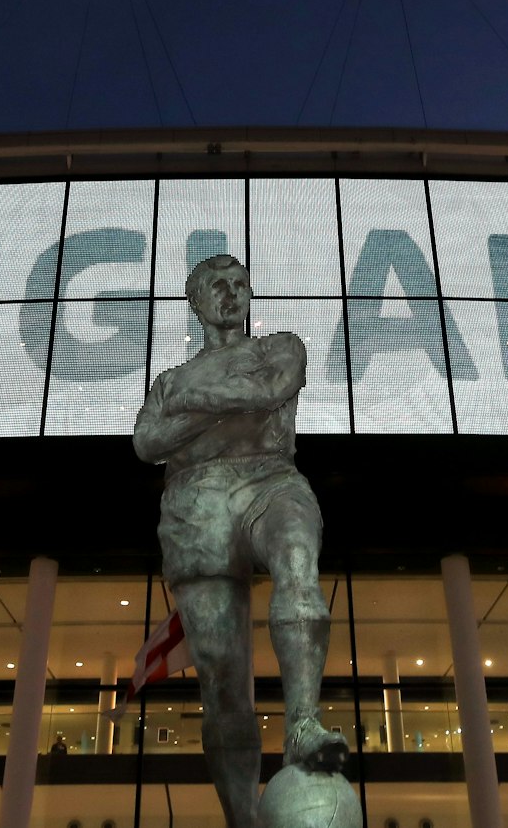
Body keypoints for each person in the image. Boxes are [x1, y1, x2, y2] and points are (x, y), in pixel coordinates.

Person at [134, 254, 346, 828]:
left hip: (269, 479)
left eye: (239, 285)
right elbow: (147, 444)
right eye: (216, 287)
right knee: (223, 686)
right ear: (196, 303)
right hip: (194, 505)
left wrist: (195, 406)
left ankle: (303, 722)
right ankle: (241, 821)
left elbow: (275, 387)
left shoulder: (279, 347)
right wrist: (237, 399)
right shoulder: (168, 380)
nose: (230, 295)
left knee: (298, 560)